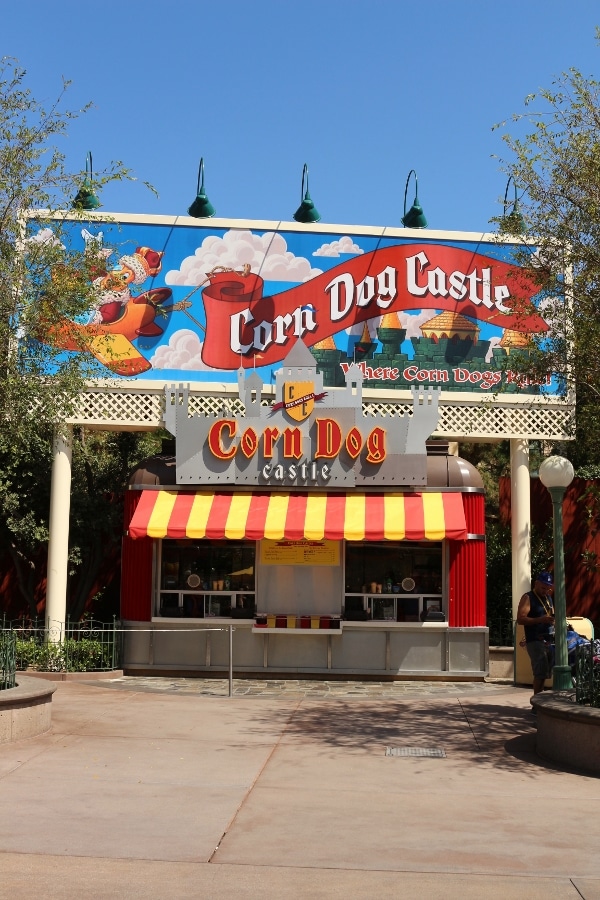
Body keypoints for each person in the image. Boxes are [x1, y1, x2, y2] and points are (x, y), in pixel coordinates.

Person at [516, 571, 555, 698]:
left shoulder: (548, 598)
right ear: (536, 583)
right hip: (535, 639)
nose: (545, 590)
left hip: (548, 639)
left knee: (545, 673)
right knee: (539, 673)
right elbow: (521, 619)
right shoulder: (528, 597)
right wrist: (540, 620)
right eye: (543, 587)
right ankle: (536, 704)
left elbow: (549, 614)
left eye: (548, 588)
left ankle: (541, 700)